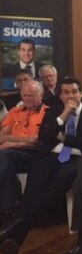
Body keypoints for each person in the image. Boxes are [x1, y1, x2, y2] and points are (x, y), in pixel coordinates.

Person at [0, 77, 82, 254]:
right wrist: (64, 116)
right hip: (51, 156)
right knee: (32, 191)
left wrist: (63, 137)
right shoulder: (55, 110)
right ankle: (14, 239)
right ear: (60, 95)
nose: (71, 96)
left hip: (76, 158)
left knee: (54, 186)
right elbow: (44, 137)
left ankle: (12, 230)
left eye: (74, 91)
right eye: (66, 92)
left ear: (81, 92)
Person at [0, 80, 48, 214]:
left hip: (34, 155)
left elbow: (38, 142)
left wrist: (10, 143)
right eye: (24, 95)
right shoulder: (14, 112)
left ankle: (7, 207)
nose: (27, 99)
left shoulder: (47, 113)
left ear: (41, 95)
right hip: (10, 155)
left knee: (4, 155)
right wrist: (24, 140)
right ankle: (8, 206)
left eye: (31, 96)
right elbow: (1, 137)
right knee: (5, 161)